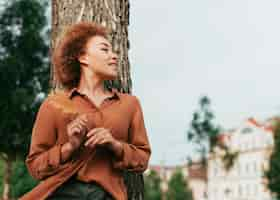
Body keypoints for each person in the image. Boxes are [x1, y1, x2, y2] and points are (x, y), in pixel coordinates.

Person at [20, 22, 151, 200]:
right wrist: (69, 147)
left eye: (114, 52)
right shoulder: (53, 105)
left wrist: (115, 145)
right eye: (105, 49)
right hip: (62, 194)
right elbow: (36, 166)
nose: (114, 56)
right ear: (83, 57)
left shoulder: (130, 104)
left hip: (107, 195)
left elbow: (142, 158)